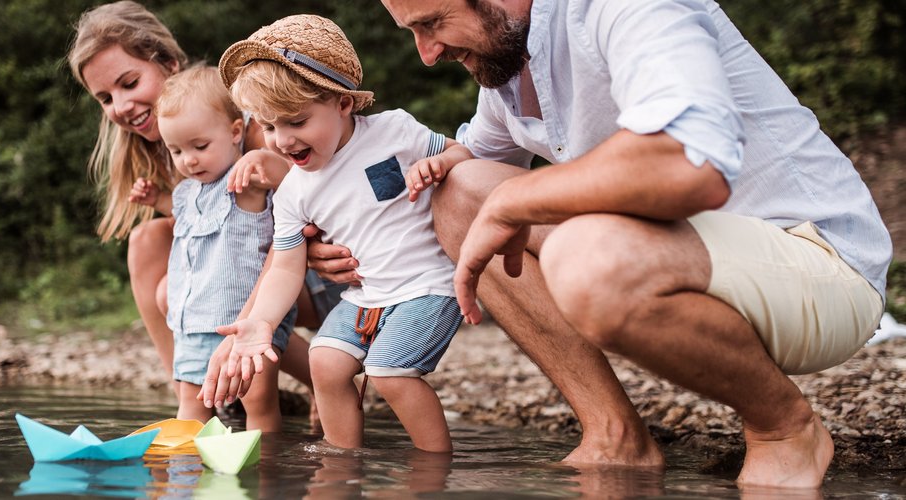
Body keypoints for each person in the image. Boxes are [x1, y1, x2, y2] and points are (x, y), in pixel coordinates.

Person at [358, 0, 889, 490]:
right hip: (688, 260)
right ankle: (615, 437)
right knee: (459, 196)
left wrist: (516, 201)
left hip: (818, 267)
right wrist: (350, 250)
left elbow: (689, 161)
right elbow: (468, 165)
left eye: (430, 23)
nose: (427, 54)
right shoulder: (508, 67)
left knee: (587, 255)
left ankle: (784, 428)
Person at [209, 14, 472, 453]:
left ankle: (434, 466)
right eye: (269, 126)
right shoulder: (293, 191)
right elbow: (286, 269)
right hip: (365, 296)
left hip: (427, 285)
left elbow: (463, 154)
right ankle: (342, 461)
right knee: (324, 362)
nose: (282, 140)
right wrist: (261, 322)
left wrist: (442, 164)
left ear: (343, 104)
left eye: (296, 121)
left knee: (390, 373)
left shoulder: (394, 132)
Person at [67, 1, 342, 408]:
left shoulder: (251, 130)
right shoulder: (172, 150)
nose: (120, 106)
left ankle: (236, 383)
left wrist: (240, 336)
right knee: (149, 242)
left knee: (208, 299)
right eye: (105, 98)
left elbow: (285, 235)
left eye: (129, 83)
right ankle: (190, 388)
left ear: (170, 63)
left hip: (322, 273)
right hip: (259, 279)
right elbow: (210, 225)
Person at [133, 64, 294, 427]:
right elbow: (189, 218)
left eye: (199, 146)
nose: (188, 160)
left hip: (242, 321)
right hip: (191, 323)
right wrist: (157, 198)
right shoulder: (187, 191)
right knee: (192, 404)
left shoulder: (246, 181)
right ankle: (186, 475)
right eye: (175, 151)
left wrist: (263, 158)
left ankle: (265, 469)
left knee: (259, 405)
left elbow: (291, 180)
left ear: (236, 132)